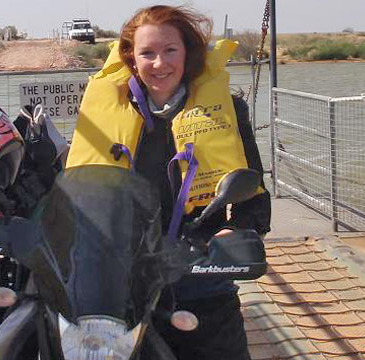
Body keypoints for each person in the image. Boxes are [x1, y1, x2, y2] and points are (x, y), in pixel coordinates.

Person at [66, 5, 271, 360]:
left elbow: (253, 198)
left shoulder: (229, 109)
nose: (159, 64)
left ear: (187, 52)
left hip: (199, 277)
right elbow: (78, 189)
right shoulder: (105, 112)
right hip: (122, 284)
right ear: (131, 57)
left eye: (169, 51)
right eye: (147, 53)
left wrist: (236, 229)